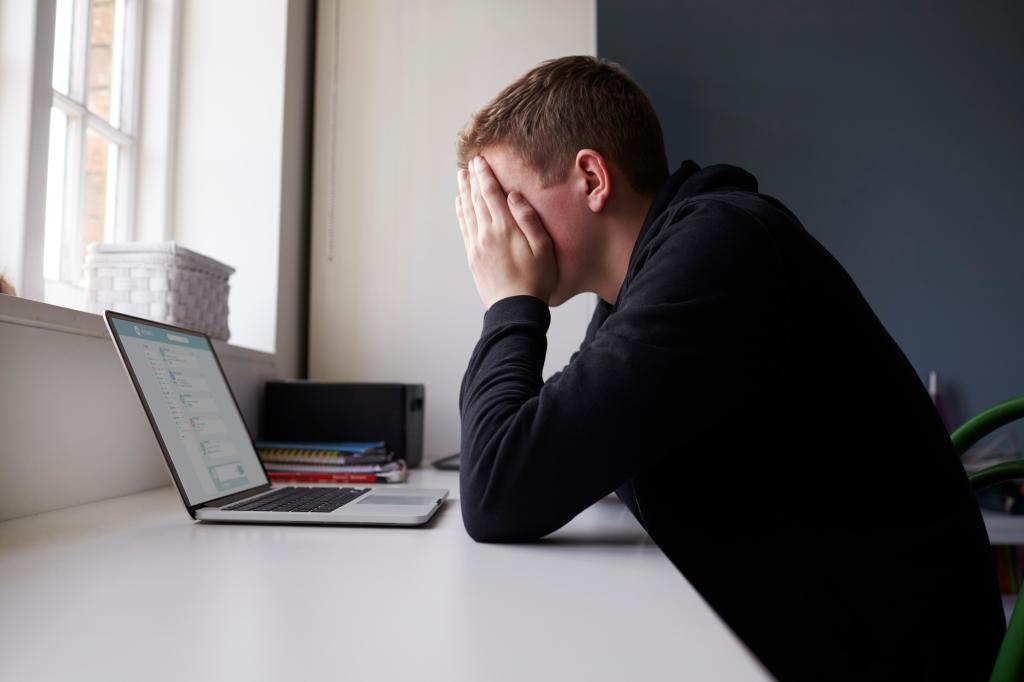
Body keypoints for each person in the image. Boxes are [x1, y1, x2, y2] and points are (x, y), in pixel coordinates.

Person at [452, 55, 1003, 680]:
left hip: (892, 661)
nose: (489, 230)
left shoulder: (719, 250)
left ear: (591, 177)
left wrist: (509, 301)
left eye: (504, 199)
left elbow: (498, 490)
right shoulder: (636, 289)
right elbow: (540, 453)